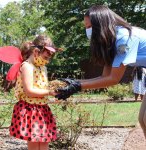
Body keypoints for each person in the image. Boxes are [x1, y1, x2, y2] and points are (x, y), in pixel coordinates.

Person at [55, 5, 146, 138]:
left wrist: (77, 86)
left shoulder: (124, 38)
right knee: (142, 121)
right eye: (86, 27)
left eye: (89, 27)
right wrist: (74, 82)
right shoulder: (112, 40)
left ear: (101, 24)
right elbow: (105, 76)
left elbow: (114, 79)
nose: (87, 31)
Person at [0, 35, 58, 150]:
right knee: (34, 143)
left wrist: (56, 92)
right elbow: (29, 91)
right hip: (31, 109)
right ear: (35, 52)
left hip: (42, 109)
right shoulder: (27, 67)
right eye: (45, 57)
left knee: (44, 142)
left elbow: (41, 86)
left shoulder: (42, 67)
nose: (47, 61)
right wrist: (49, 92)